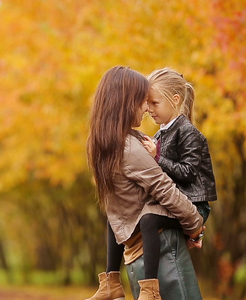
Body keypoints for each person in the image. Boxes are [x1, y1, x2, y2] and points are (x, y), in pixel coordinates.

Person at [86, 66, 204, 300]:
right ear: (126, 103)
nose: (146, 108)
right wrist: (195, 224)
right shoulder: (128, 148)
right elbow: (165, 189)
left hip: (137, 253)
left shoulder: (102, 143)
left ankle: (111, 281)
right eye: (142, 101)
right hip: (160, 250)